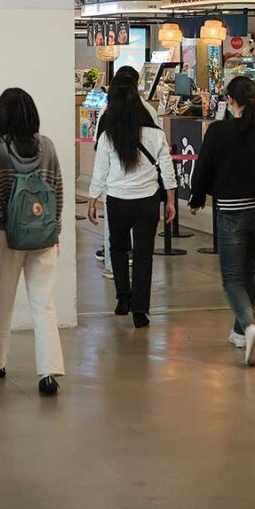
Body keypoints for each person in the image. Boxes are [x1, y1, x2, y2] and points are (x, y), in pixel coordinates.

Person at [189, 74, 255, 366]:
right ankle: (239, 332)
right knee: (248, 272)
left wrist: (197, 198)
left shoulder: (217, 132)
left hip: (230, 212)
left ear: (230, 100)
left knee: (232, 277)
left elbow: (204, 169)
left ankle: (248, 326)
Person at [0, 88, 64, 396]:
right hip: (44, 234)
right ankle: (48, 373)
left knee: (2, 299)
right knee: (44, 303)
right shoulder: (48, 146)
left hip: (7, 233)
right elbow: (57, 190)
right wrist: (56, 230)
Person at [87, 80, 176, 328]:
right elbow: (167, 170)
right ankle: (140, 310)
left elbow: (100, 172)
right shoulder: (156, 134)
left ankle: (123, 299)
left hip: (117, 200)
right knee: (143, 254)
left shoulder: (108, 136)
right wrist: (170, 200)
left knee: (117, 248)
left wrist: (92, 199)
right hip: (147, 201)